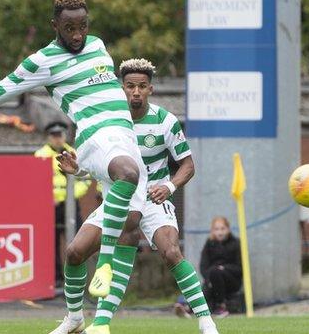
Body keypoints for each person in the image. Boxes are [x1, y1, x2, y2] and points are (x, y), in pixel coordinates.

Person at [0, 0, 147, 319]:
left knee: (78, 251)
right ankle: (104, 268)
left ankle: (74, 321)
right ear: (54, 26)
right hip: (97, 141)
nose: (77, 35)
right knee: (127, 175)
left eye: (83, 26)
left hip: (125, 142)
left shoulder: (99, 46)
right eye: (69, 28)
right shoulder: (42, 61)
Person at [52, 58, 218, 334]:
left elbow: (188, 166)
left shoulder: (165, 122)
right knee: (74, 252)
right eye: (130, 86)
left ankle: (205, 320)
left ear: (150, 89)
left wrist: (170, 187)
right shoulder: (109, 123)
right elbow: (97, 169)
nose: (136, 92)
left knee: (171, 252)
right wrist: (78, 170)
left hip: (154, 199)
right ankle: (75, 319)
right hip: (121, 198)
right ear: (121, 88)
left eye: (142, 86)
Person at [34, 121, 91, 285]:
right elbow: (37, 181)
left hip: (71, 203)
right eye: (54, 136)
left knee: (79, 240)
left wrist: (71, 195)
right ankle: (56, 278)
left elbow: (85, 180)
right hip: (50, 205)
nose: (57, 139)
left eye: (60, 135)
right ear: (48, 137)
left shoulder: (74, 153)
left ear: (65, 136)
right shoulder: (40, 155)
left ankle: (77, 275)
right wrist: (48, 198)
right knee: (50, 242)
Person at [199, 217, 242, 318]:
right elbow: (203, 266)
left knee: (215, 272)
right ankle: (190, 308)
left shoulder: (236, 243)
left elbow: (240, 268)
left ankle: (221, 305)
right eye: (217, 229)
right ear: (212, 231)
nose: (220, 232)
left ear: (228, 229)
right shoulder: (209, 244)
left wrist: (224, 268)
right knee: (208, 283)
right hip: (212, 279)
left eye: (222, 229)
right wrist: (208, 279)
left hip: (231, 280)